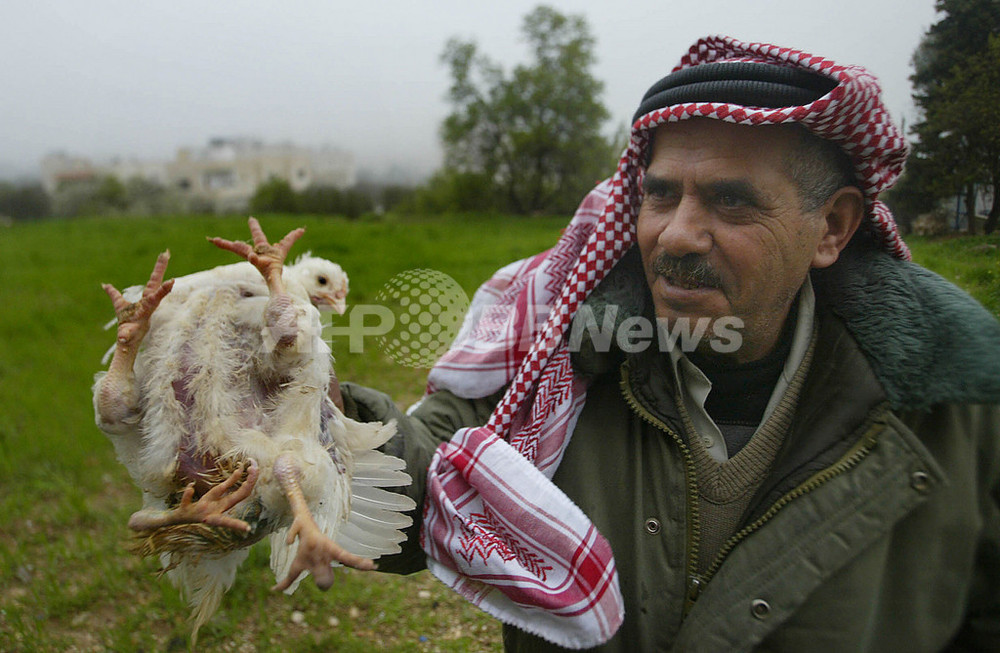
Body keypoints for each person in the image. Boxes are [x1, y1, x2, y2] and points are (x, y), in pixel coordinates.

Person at [339, 36, 1000, 651]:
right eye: (660, 195)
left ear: (832, 226)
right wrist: (311, 436)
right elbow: (420, 477)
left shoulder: (959, 411)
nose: (677, 235)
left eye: (731, 201)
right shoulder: (560, 350)